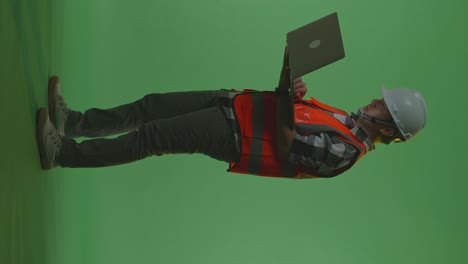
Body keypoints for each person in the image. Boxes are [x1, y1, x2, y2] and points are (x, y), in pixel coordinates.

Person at [36, 47, 427, 178]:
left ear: (388, 128)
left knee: (149, 137)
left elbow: (290, 143)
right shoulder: (345, 121)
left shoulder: (346, 152)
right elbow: (296, 117)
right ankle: (74, 123)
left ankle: (64, 153)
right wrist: (294, 91)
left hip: (234, 135)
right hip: (235, 105)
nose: (372, 102)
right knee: (151, 106)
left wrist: (286, 93)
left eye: (381, 107)